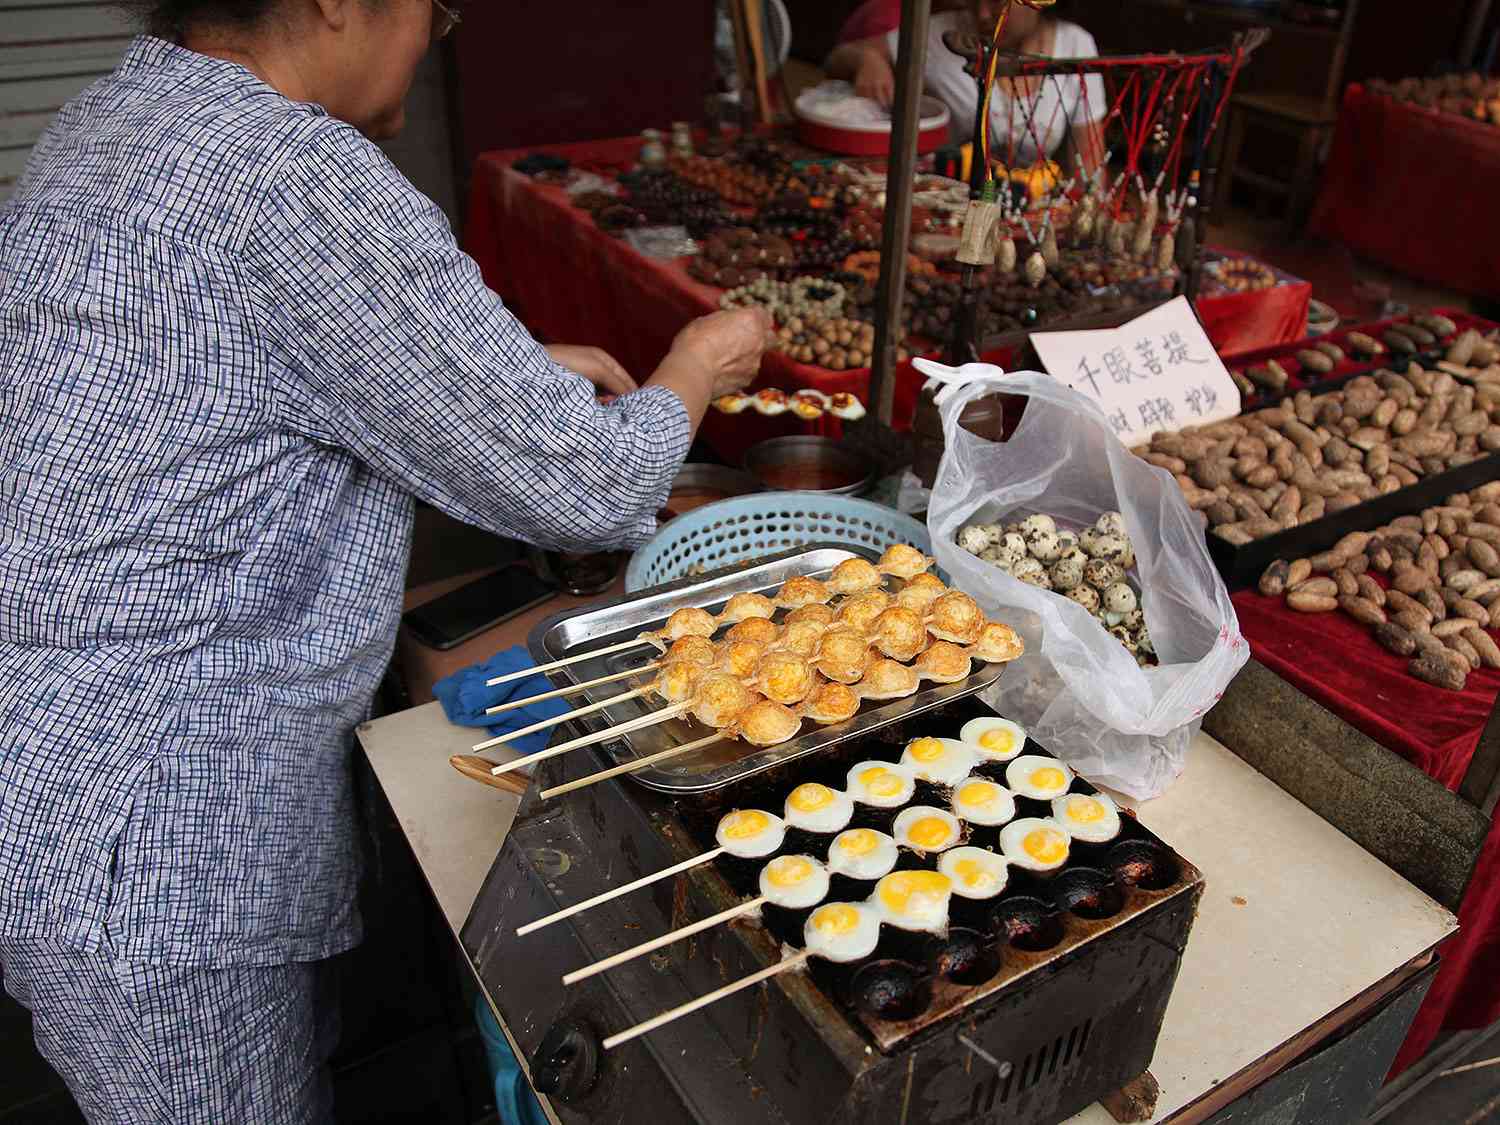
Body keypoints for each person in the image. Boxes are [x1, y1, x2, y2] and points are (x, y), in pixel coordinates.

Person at [0, 0, 768, 1118]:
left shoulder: (116, 117)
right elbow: (591, 491)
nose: (435, 35)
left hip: (56, 775)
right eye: (434, 9)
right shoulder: (293, 177)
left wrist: (455, 371)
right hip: (154, 841)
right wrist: (697, 360)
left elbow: (222, 361)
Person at [827, 0, 1106, 171]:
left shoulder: (1076, 45)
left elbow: (1089, 164)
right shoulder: (940, 33)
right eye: (974, 1)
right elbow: (836, 59)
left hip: (1026, 214)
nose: (983, 15)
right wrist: (868, 58)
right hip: (942, 201)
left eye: (997, 1)